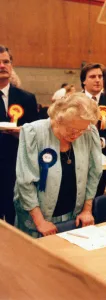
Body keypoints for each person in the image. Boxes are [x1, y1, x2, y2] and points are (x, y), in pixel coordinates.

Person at [14, 93, 102, 237]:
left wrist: (87, 209)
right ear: (58, 119)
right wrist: (40, 222)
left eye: (81, 130)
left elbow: (94, 172)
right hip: (37, 220)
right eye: (72, 130)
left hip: (74, 216)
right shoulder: (33, 132)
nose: (77, 135)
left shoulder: (88, 131)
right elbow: (25, 182)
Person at [0, 45, 38, 225]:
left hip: (17, 167)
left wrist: (23, 133)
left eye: (6, 61)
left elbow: (36, 132)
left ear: (11, 65)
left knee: (14, 218)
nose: (2, 66)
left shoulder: (27, 98)